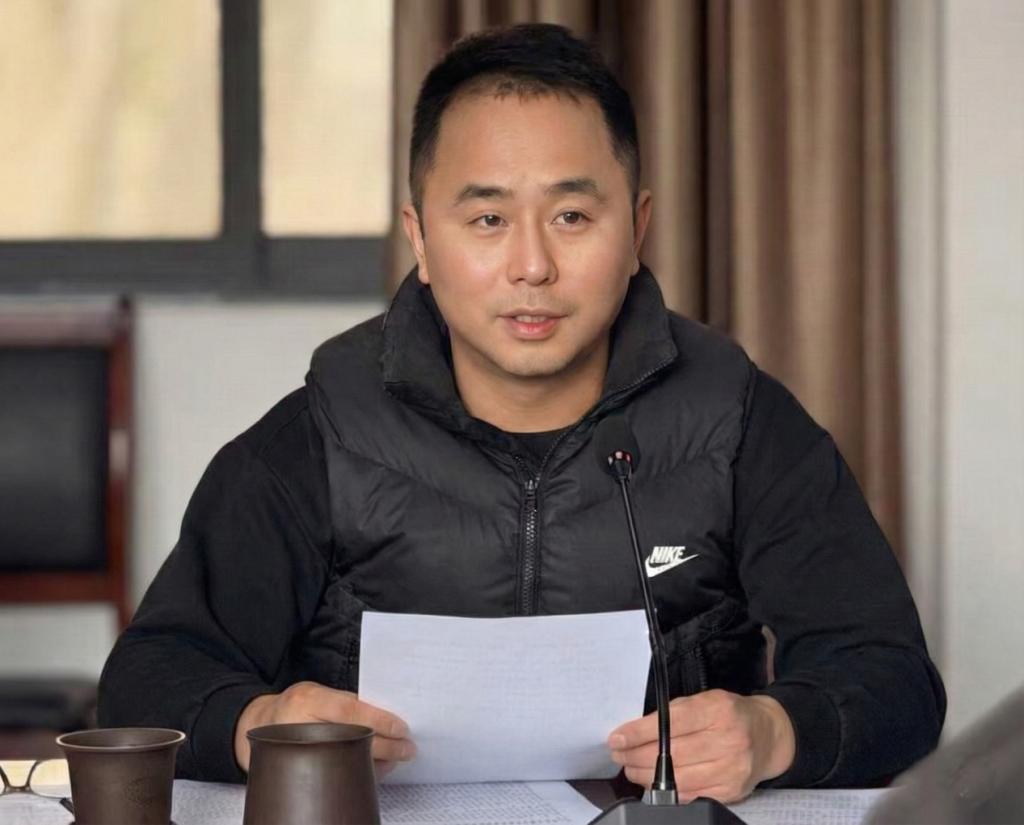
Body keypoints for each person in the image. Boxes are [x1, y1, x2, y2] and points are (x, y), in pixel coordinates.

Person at [98, 23, 945, 803]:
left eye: (572, 216)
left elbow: (895, 680)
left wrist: (775, 732)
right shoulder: (324, 430)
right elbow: (149, 677)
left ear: (637, 226)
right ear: (420, 238)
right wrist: (259, 721)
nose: (532, 265)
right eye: (489, 218)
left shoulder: (736, 420)